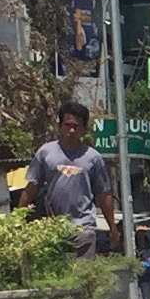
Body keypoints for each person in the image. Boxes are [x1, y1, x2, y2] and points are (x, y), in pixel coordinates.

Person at [18, 102, 118, 259]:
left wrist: (112, 227)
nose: (71, 130)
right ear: (60, 126)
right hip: (53, 229)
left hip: (83, 228)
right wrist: (18, 218)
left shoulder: (93, 157)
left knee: (82, 278)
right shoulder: (46, 153)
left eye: (76, 126)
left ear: (84, 128)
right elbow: (31, 187)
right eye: (67, 125)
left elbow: (103, 194)